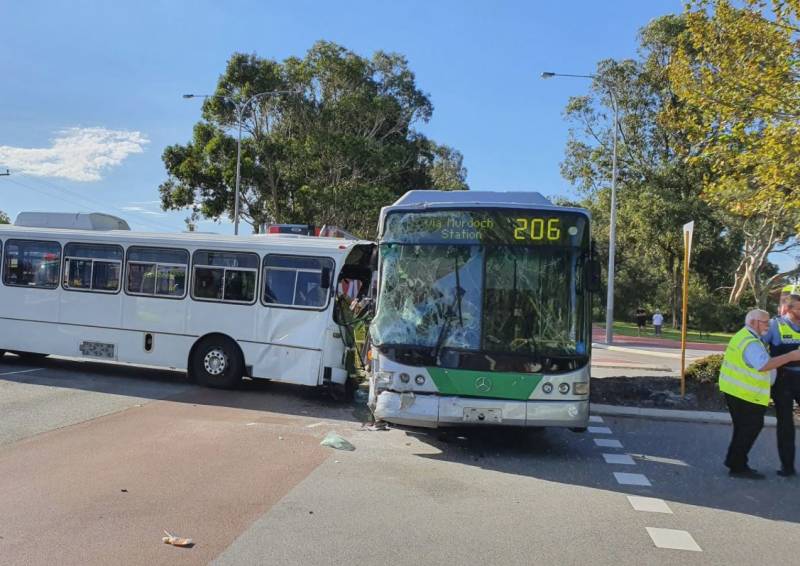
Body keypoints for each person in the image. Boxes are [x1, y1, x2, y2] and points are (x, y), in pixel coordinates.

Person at [720, 309, 800, 479]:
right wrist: (791, 356)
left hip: (738, 391)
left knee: (744, 429)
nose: (768, 325)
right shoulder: (750, 342)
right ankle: (737, 466)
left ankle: (734, 461)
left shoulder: (747, 336)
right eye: (765, 322)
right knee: (749, 428)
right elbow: (763, 365)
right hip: (745, 394)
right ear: (754, 322)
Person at [762, 293, 800, 477]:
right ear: (788, 309)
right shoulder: (774, 326)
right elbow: (758, 346)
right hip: (783, 379)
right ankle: (787, 467)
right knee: (785, 423)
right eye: (799, 309)